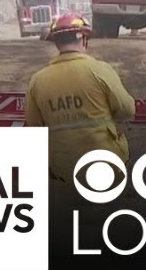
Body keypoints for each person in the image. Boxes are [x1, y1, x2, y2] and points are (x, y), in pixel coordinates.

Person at [24, 13, 137, 185]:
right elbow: (127, 110)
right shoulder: (100, 70)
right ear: (83, 39)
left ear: (56, 43)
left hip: (62, 169)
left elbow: (33, 127)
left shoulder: (37, 80)